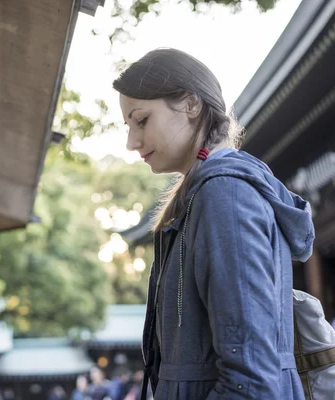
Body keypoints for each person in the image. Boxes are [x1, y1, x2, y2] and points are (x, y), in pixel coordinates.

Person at [113, 48, 314, 399]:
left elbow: (250, 380)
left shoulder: (226, 194)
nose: (132, 142)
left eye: (141, 120)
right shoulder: (208, 193)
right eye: (128, 126)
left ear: (191, 104)